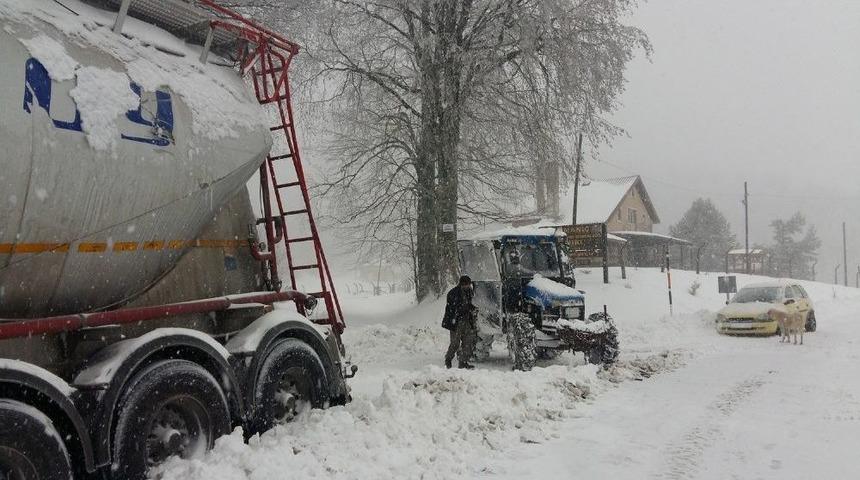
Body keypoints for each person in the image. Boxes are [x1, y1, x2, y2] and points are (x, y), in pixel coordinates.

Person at [442, 275, 478, 369]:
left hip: (467, 321)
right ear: (462, 284)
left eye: (469, 285)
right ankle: (448, 360)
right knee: (455, 343)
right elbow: (453, 308)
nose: (469, 286)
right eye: (467, 285)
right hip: (456, 322)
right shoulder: (453, 293)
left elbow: (469, 304)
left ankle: (463, 362)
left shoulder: (470, 292)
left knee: (468, 342)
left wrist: (473, 309)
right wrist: (467, 309)